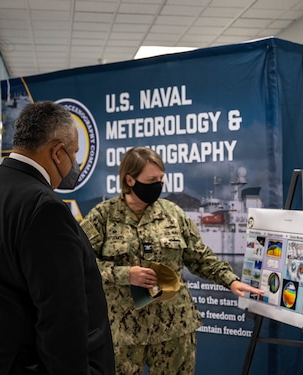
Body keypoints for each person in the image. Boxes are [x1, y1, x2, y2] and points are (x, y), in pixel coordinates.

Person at [0, 101, 115, 374]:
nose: (76, 163)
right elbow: (61, 320)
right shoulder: (44, 208)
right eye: (74, 154)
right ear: (57, 152)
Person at [80, 146, 264, 375]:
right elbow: (80, 265)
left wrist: (230, 281)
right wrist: (125, 274)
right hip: (122, 332)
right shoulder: (102, 217)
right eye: (151, 180)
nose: (158, 185)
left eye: (161, 179)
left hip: (174, 329)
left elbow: (199, 256)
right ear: (130, 180)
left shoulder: (173, 214)